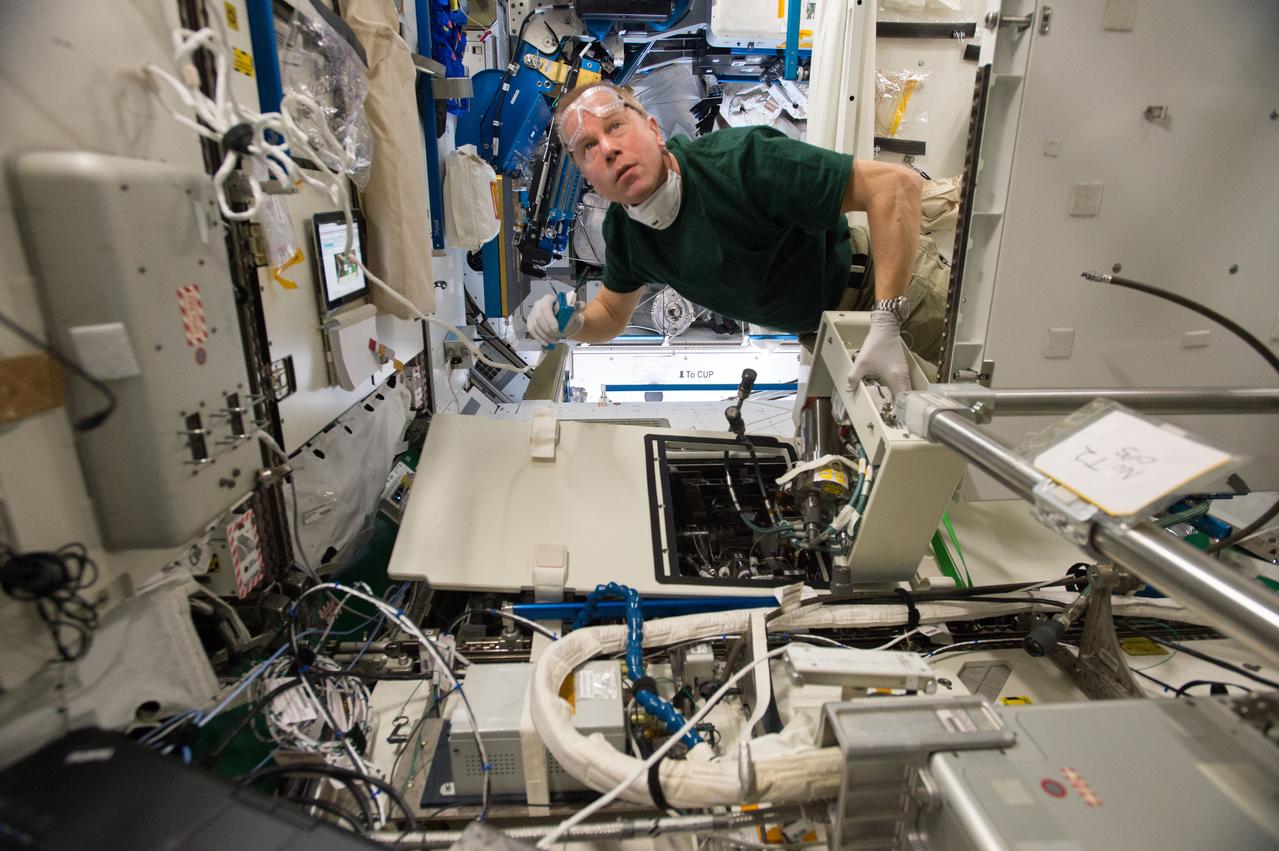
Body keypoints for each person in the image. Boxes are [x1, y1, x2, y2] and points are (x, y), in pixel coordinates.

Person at [526, 81, 941, 397]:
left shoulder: (742, 162)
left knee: (987, 413)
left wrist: (886, 320)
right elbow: (613, 316)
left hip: (891, 292)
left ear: (654, 130)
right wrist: (573, 322)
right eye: (588, 147)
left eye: (616, 126)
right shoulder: (624, 233)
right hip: (828, 332)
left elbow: (895, 187)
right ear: (585, 174)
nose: (609, 149)